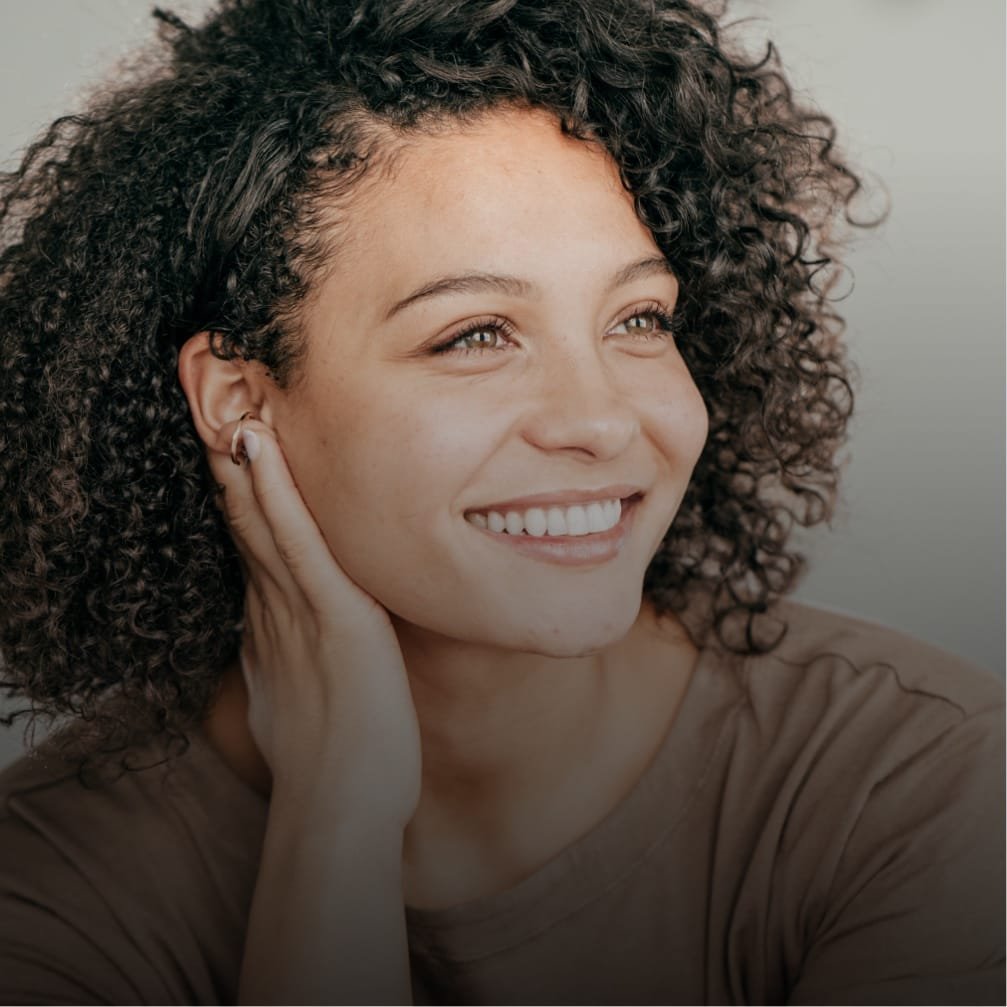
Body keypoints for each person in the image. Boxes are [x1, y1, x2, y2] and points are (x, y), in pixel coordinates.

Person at [0, 0, 1002, 1003]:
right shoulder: (45, 892)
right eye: (476, 332)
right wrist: (336, 821)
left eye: (637, 317)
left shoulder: (918, 784)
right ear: (239, 400)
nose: (600, 420)